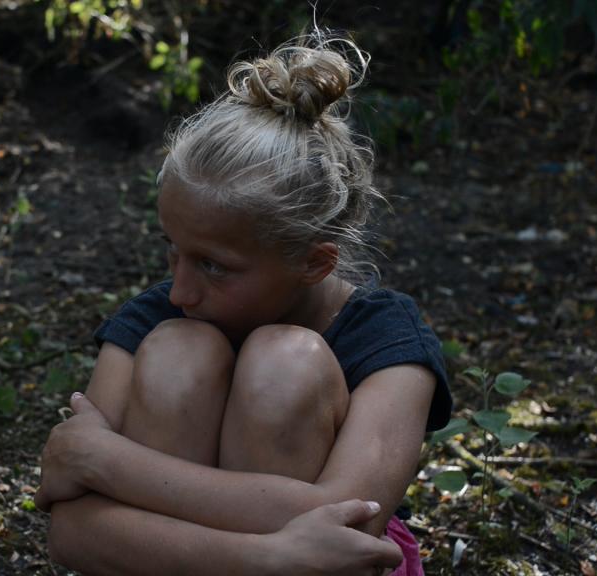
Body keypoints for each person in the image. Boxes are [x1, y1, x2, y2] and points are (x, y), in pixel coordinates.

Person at [34, 34, 452, 575]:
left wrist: (101, 459)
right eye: (172, 252)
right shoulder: (156, 323)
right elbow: (73, 532)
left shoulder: (386, 339)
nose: (180, 292)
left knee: (286, 361)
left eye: (213, 265)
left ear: (314, 263)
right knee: (178, 351)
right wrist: (265, 558)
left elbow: (350, 526)